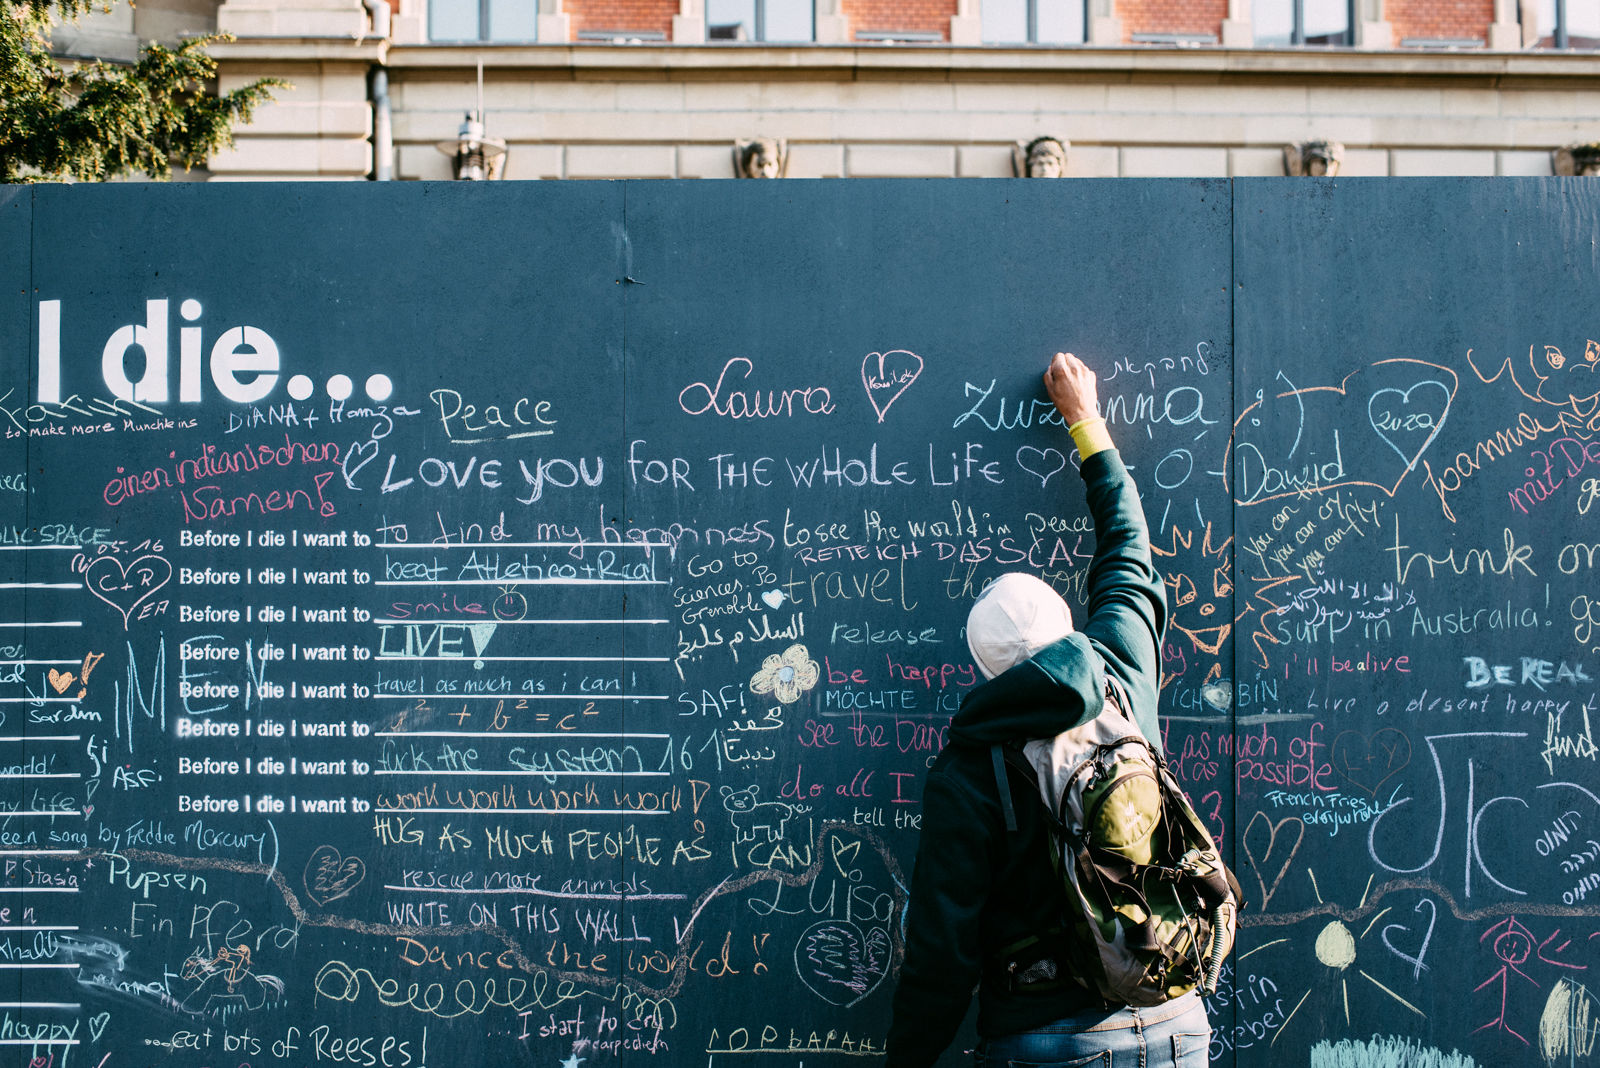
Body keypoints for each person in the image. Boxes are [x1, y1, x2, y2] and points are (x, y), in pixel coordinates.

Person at [886, 352, 1210, 1067]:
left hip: (1049, 1040)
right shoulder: (1123, 669)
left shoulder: (970, 769)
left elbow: (942, 954)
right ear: (1068, 621)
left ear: (985, 669)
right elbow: (1128, 547)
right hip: (1175, 1018)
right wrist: (1085, 422)